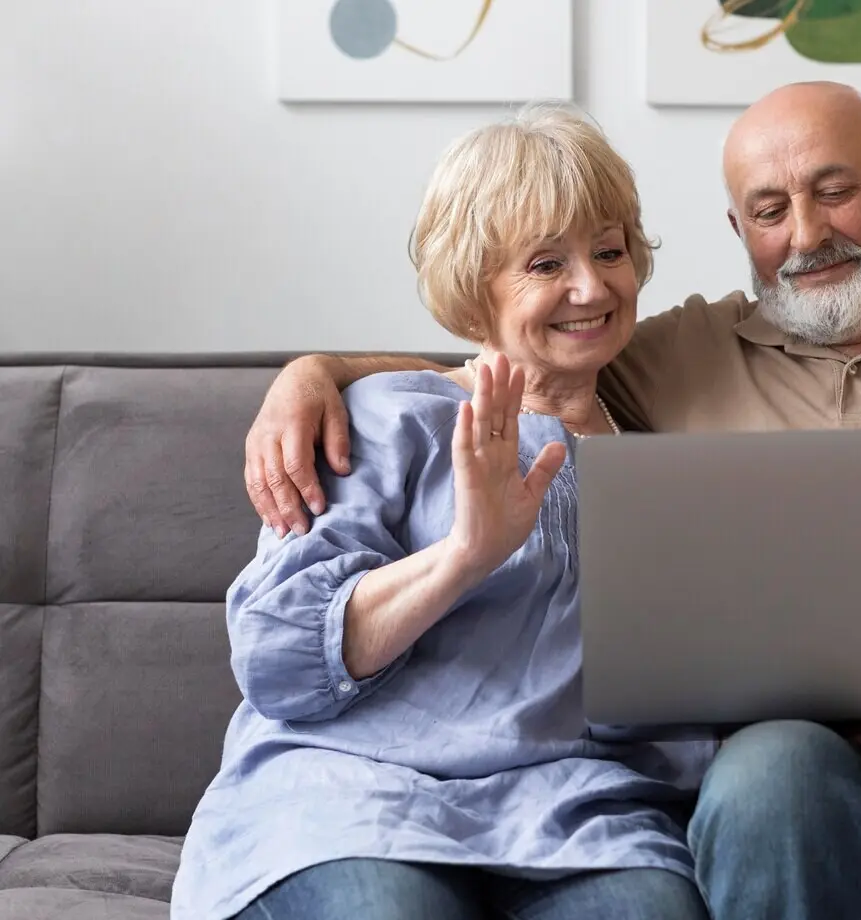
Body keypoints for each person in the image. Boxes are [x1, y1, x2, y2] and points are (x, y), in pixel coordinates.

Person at [243, 82, 861, 919]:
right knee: (772, 768)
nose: (807, 234)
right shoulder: (674, 356)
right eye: (770, 208)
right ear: (739, 232)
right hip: (802, 784)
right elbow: (517, 360)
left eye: (835, 189)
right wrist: (316, 370)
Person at [172, 104, 719, 920]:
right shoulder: (386, 418)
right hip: (354, 799)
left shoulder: (663, 453)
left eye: (610, 251)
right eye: (545, 263)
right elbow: (279, 659)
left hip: (578, 816)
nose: (591, 286)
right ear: (475, 289)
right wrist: (465, 553)